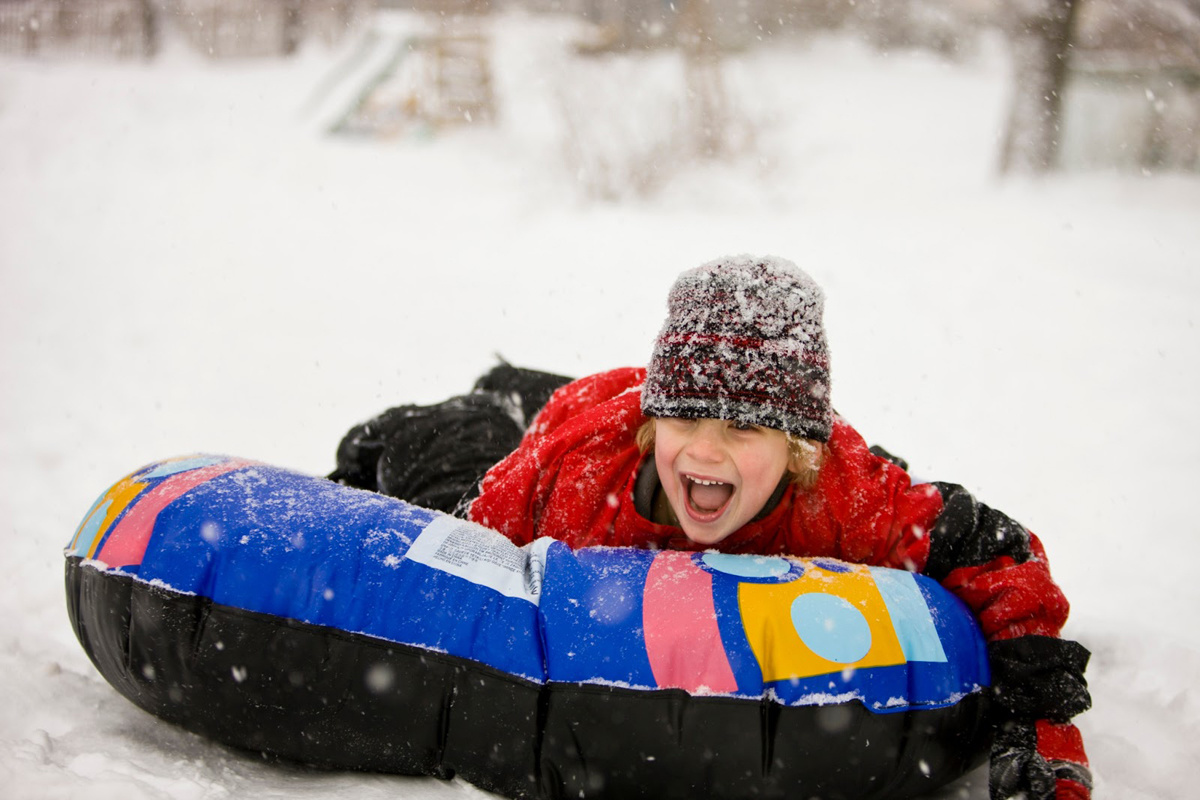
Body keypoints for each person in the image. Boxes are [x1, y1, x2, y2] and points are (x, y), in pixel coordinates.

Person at [332, 254, 1092, 800]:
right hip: (567, 423)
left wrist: (1040, 723)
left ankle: (528, 385)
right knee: (446, 460)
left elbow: (997, 549)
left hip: (634, 413)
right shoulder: (575, 473)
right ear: (655, 420)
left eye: (743, 429)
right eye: (686, 418)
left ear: (796, 447)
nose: (704, 450)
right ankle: (486, 400)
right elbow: (459, 562)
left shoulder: (839, 491)